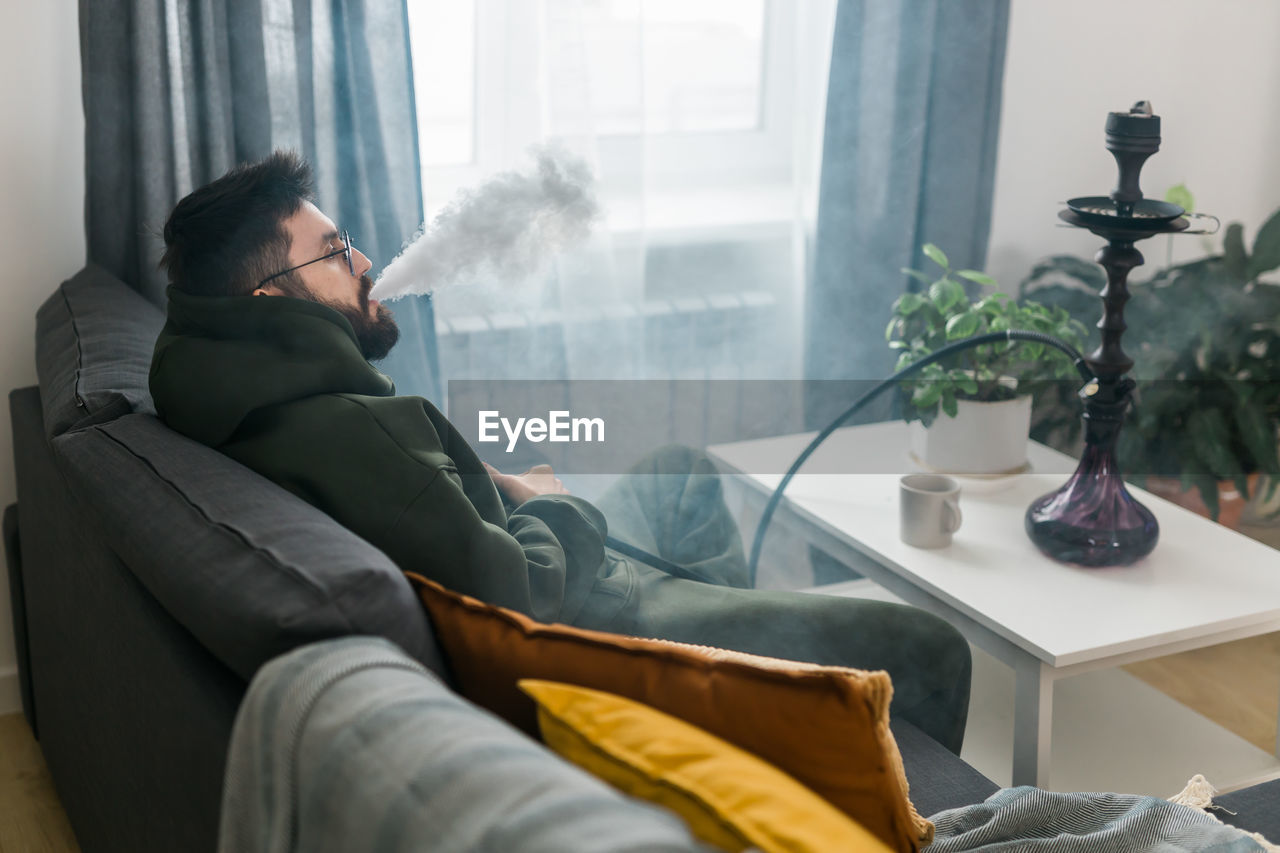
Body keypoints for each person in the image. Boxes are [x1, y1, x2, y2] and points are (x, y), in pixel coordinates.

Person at [149, 151, 972, 753]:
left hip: (552, 555)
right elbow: (515, 589)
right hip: (598, 616)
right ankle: (722, 682)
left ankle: (746, 698)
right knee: (935, 648)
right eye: (333, 251)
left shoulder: (228, 381)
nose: (363, 263)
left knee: (680, 466)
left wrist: (500, 486)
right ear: (268, 293)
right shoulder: (338, 423)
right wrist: (544, 498)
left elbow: (427, 504)